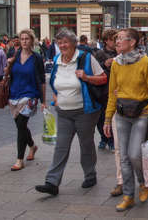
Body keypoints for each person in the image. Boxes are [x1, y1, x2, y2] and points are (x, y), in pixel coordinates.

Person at [35, 28, 107, 196]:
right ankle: (52, 182)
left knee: (86, 144)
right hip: (64, 112)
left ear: (74, 43)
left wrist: (87, 77)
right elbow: (54, 82)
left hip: (85, 111)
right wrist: (56, 97)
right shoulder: (56, 59)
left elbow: (103, 78)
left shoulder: (86, 58)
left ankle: (90, 174)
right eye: (59, 43)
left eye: (65, 42)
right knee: (61, 146)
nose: (62, 45)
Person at [103, 28, 148, 212]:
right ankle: (129, 195)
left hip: (141, 113)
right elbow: (112, 92)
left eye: (120, 39)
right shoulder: (116, 64)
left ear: (132, 42)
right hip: (121, 114)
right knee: (124, 157)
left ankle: (143, 182)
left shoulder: (146, 63)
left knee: (135, 154)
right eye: (116, 39)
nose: (116, 42)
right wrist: (107, 119)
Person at [8, 29, 46, 171]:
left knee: (21, 125)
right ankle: (32, 146)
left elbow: (42, 80)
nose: (24, 41)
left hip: (30, 95)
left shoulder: (36, 58)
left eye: (27, 39)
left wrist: (43, 101)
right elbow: (10, 74)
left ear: (32, 40)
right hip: (14, 95)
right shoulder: (15, 55)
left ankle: (19, 160)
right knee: (21, 126)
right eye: (22, 39)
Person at [93, 30, 116, 151]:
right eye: (112, 39)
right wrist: (104, 64)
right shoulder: (100, 53)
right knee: (101, 117)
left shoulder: (120, 52)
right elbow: (94, 69)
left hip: (116, 89)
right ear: (106, 40)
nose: (115, 42)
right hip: (103, 89)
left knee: (112, 116)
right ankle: (104, 137)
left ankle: (112, 139)